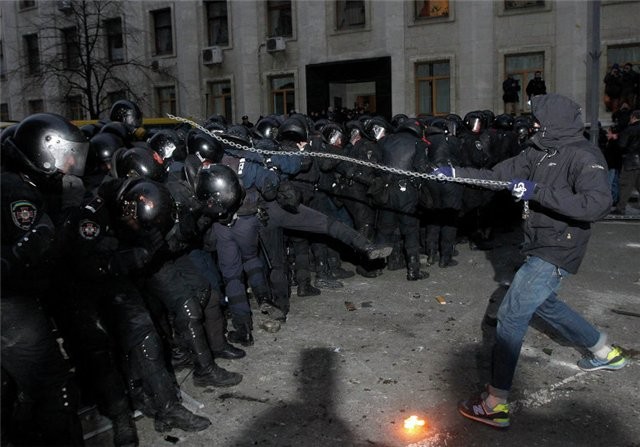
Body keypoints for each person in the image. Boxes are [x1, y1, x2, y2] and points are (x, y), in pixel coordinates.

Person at [434, 93, 628, 428]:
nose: (534, 124)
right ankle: (602, 351)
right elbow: (499, 175)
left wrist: (535, 191)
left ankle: (495, 403)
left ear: (554, 122)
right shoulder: (539, 150)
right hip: (538, 241)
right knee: (544, 304)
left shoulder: (584, 156)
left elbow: (597, 204)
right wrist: (454, 173)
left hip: (560, 246)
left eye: (539, 119)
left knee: (510, 314)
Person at [611, 109, 640, 215]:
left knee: (625, 185)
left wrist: (617, 138)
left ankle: (620, 208)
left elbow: (622, 145)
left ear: (633, 117)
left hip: (631, 161)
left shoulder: (630, 129)